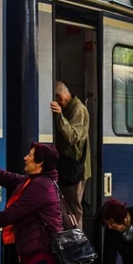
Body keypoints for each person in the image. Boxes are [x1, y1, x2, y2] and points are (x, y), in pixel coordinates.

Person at [51, 81, 91, 229]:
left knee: (73, 210)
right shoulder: (70, 108)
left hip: (74, 169)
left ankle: (76, 239)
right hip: (67, 167)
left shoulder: (79, 110)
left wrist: (59, 116)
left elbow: (72, 136)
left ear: (59, 98)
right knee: (66, 208)